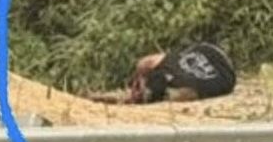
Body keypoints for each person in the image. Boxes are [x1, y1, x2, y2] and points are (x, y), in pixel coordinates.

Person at [87, 43, 236, 104]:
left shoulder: (181, 88)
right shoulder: (167, 65)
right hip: (209, 52)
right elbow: (145, 63)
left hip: (214, 59)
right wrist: (138, 78)